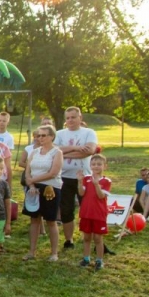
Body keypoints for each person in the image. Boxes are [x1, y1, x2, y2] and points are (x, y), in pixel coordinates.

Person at [55, 106, 97, 250]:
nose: (70, 120)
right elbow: (55, 150)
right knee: (66, 210)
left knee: (87, 209)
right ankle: (69, 240)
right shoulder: (59, 134)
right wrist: (77, 148)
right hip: (64, 177)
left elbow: (89, 151)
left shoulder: (89, 132)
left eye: (73, 117)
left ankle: (90, 238)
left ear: (80, 117)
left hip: (84, 177)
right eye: (68, 118)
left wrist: (65, 152)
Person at [23, 125, 64, 262]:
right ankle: (31, 251)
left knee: (51, 221)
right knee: (34, 219)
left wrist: (33, 180)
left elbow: (53, 173)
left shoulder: (57, 152)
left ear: (51, 137)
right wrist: (31, 184)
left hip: (50, 188)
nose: (40, 138)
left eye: (43, 135)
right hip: (34, 188)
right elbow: (28, 171)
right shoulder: (34, 152)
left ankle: (54, 253)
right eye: (38, 135)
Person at [78, 154, 110, 270]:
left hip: (99, 214)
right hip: (86, 213)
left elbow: (101, 196)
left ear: (104, 166)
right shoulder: (86, 179)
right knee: (87, 237)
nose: (96, 166)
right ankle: (86, 258)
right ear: (90, 166)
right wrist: (80, 182)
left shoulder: (106, 181)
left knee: (97, 238)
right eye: (93, 164)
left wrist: (96, 184)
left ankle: (99, 260)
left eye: (99, 164)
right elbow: (81, 193)